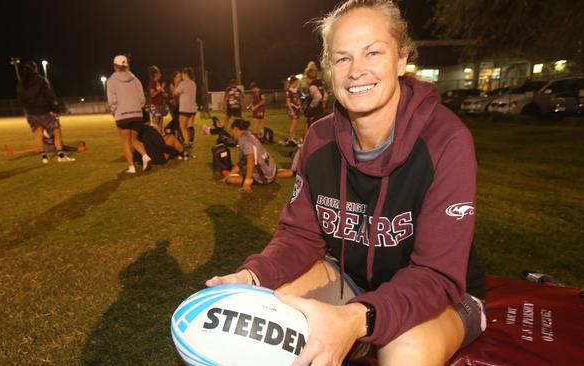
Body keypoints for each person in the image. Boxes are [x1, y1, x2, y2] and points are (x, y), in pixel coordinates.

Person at [206, 1, 486, 365]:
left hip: (442, 294)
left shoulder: (445, 140)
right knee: (277, 311)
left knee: (406, 348)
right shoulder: (320, 139)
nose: (356, 71)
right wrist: (252, 276)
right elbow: (299, 236)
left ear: (401, 60)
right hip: (353, 280)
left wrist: (357, 318)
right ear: (329, 69)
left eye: (372, 52)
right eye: (342, 58)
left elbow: (435, 275)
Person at [16, 61, 75, 163]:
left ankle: (44, 158)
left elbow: (21, 99)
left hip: (30, 113)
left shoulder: (22, 82)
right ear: (35, 69)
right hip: (44, 111)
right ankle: (61, 156)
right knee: (56, 131)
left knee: (39, 134)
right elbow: (49, 95)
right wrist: (55, 108)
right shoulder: (41, 80)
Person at [106, 55, 152, 173]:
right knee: (134, 140)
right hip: (137, 114)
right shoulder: (135, 79)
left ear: (115, 66)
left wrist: (115, 112)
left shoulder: (111, 80)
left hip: (122, 115)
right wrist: (137, 109)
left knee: (126, 142)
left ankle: (131, 167)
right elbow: (142, 99)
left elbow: (112, 100)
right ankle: (145, 156)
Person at [222, 119, 276, 193]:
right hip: (272, 169)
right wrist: (229, 174)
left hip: (266, 176)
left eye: (232, 131)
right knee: (231, 175)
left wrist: (246, 183)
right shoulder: (249, 133)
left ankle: (254, 179)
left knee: (230, 180)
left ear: (235, 129)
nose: (232, 134)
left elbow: (251, 161)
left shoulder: (243, 140)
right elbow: (243, 161)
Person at [5, 131, 86, 159]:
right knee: (37, 149)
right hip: (49, 144)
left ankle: (14, 152)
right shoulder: (48, 127)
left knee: (37, 149)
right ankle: (14, 152)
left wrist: (77, 149)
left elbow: (61, 145)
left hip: (50, 145)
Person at [173, 67, 197, 148]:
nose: (181, 76)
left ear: (186, 74)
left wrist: (176, 83)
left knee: (182, 126)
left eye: (182, 74)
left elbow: (175, 93)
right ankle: (191, 142)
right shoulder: (193, 83)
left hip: (185, 108)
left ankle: (187, 143)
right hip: (193, 108)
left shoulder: (183, 83)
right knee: (190, 126)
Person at [302, 60, 327, 139]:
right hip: (320, 111)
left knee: (310, 128)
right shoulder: (320, 83)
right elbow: (325, 96)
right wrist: (323, 104)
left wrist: (311, 106)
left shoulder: (312, 85)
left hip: (314, 112)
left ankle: (306, 146)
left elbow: (318, 96)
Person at [283, 76, 302, 146]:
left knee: (296, 123)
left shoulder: (297, 90)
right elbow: (288, 102)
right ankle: (290, 138)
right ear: (293, 82)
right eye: (297, 82)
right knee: (293, 123)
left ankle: (293, 137)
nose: (297, 83)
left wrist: (300, 106)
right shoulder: (288, 91)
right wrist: (291, 110)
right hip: (292, 109)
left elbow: (299, 99)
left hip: (297, 108)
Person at [148, 65, 167, 132]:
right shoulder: (152, 82)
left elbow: (159, 93)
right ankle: (153, 140)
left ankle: (159, 140)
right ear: (155, 74)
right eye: (159, 72)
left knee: (160, 123)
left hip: (161, 104)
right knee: (155, 124)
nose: (160, 74)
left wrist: (164, 94)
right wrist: (161, 88)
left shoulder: (157, 83)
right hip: (155, 105)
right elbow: (152, 94)